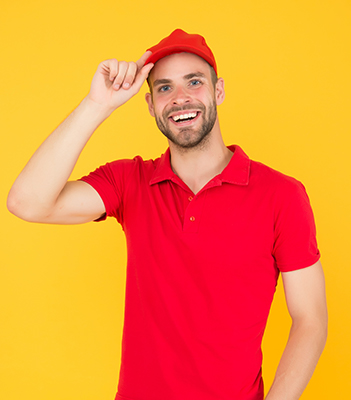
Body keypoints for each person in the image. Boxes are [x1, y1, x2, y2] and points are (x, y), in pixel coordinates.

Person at [7, 29, 327, 400]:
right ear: (150, 105)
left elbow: (310, 319)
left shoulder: (281, 195)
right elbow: (27, 202)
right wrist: (98, 104)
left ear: (218, 91)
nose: (180, 98)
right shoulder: (129, 181)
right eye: (164, 88)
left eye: (194, 82)